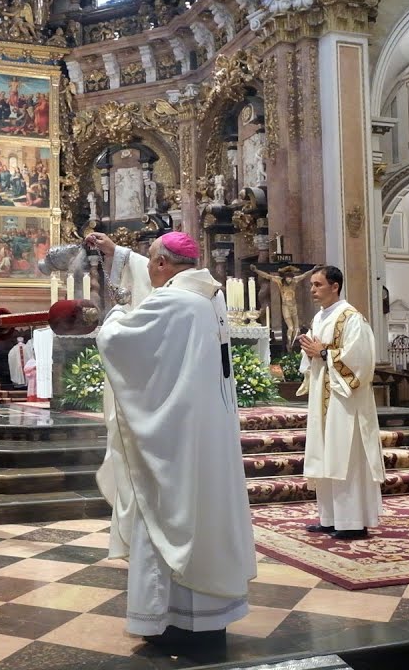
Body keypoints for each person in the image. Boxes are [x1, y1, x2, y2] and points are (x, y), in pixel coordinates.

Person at [94, 231, 256, 648]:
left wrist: (111, 316)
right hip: (208, 428)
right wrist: (121, 256)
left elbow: (119, 341)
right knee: (205, 509)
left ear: (164, 264)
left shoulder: (174, 301)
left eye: (151, 260)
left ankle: (168, 621)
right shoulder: (209, 298)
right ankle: (207, 618)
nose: (148, 267)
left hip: (178, 435)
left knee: (168, 508)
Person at [297, 265, 385, 540]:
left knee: (345, 457)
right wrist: (312, 352)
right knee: (325, 456)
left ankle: (352, 521)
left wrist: (322, 352)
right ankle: (330, 518)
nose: (312, 290)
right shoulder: (320, 317)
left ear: (335, 286)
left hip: (345, 401)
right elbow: (315, 356)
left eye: (318, 284)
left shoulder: (351, 318)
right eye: (312, 285)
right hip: (324, 397)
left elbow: (361, 361)